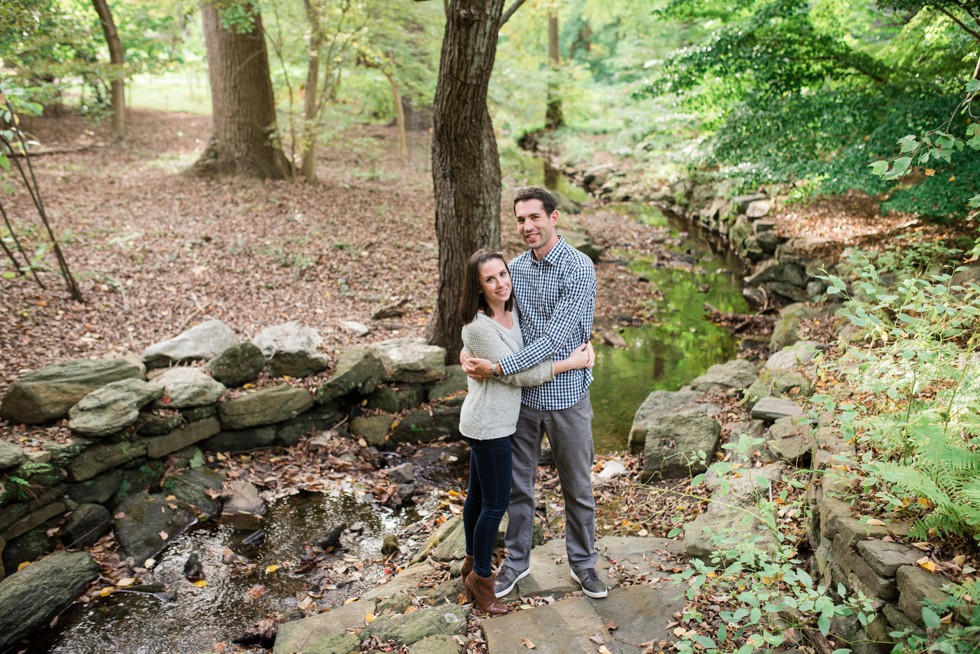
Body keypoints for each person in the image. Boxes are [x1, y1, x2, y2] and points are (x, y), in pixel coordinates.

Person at [461, 186, 607, 600]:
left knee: (577, 487)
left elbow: (560, 337)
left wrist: (500, 367)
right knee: (517, 490)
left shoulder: (579, 267)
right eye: (520, 219)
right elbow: (490, 317)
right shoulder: (515, 270)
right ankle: (517, 563)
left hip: (568, 397)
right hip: (521, 403)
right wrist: (469, 350)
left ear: (554, 217)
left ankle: (583, 565)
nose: (527, 226)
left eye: (534, 218)